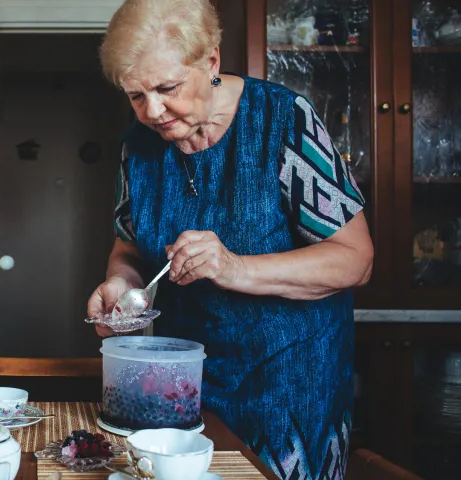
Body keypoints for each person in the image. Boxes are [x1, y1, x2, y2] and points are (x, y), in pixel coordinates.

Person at [87, 0, 374, 478]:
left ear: (212, 62)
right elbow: (129, 248)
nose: (152, 111)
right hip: (185, 392)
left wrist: (234, 267)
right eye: (135, 95)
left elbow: (355, 259)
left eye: (167, 87)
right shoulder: (136, 148)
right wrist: (121, 285)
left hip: (290, 392)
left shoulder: (284, 121)